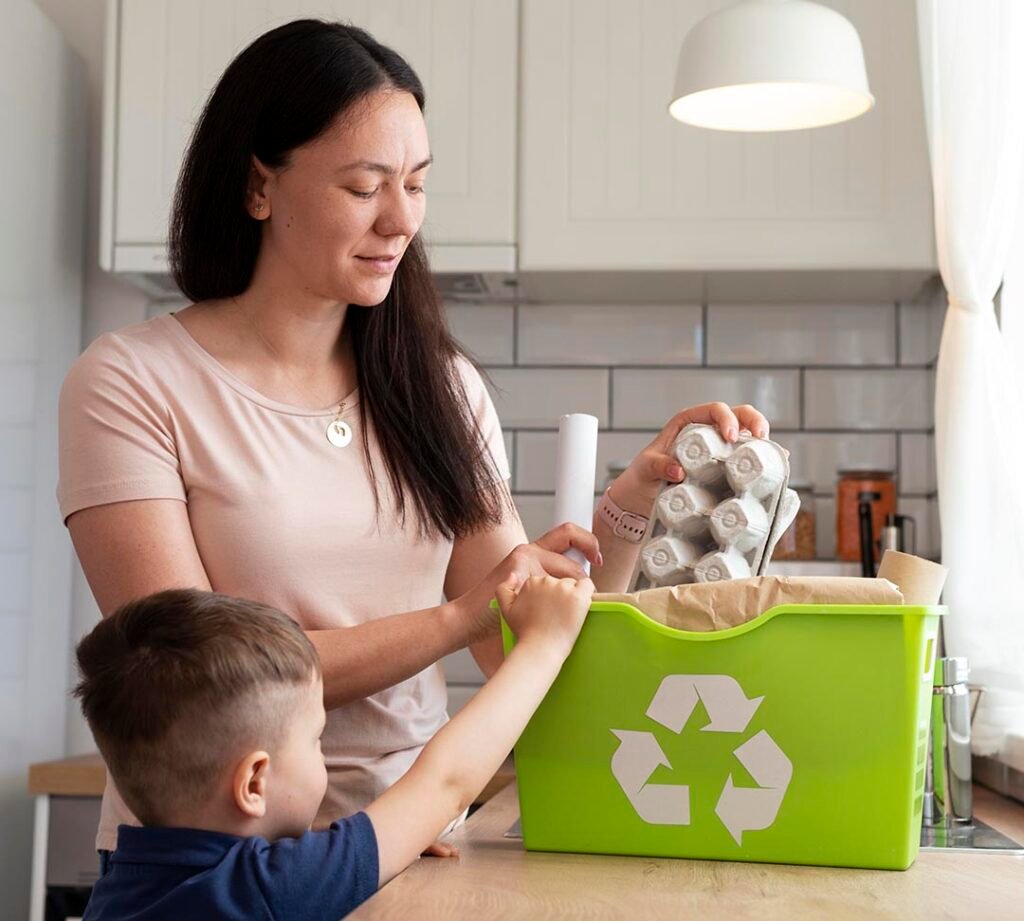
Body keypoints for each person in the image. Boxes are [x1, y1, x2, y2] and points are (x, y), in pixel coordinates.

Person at [57, 18, 770, 860]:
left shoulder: (439, 386)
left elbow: (515, 633)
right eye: (365, 187)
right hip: (214, 864)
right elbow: (194, 687)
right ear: (259, 186)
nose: (401, 220)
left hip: (411, 845)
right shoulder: (132, 382)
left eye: (417, 184)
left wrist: (628, 506)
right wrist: (456, 613)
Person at [76, 576, 592, 919]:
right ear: (254, 782)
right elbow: (446, 783)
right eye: (315, 738)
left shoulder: (121, 886)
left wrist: (388, 842)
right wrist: (545, 643)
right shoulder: (266, 889)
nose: (321, 751)